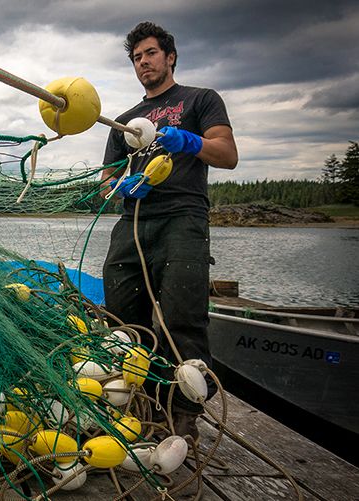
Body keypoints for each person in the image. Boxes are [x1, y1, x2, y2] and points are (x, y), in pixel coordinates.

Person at [101, 22, 238, 440]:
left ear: (170, 56)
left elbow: (228, 155)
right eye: (137, 58)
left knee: (183, 318)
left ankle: (182, 413)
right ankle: (139, 402)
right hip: (135, 221)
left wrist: (189, 142)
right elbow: (107, 178)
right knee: (122, 319)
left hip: (183, 218)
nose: (143, 63)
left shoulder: (200, 100)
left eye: (150, 54)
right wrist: (119, 185)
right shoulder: (124, 122)